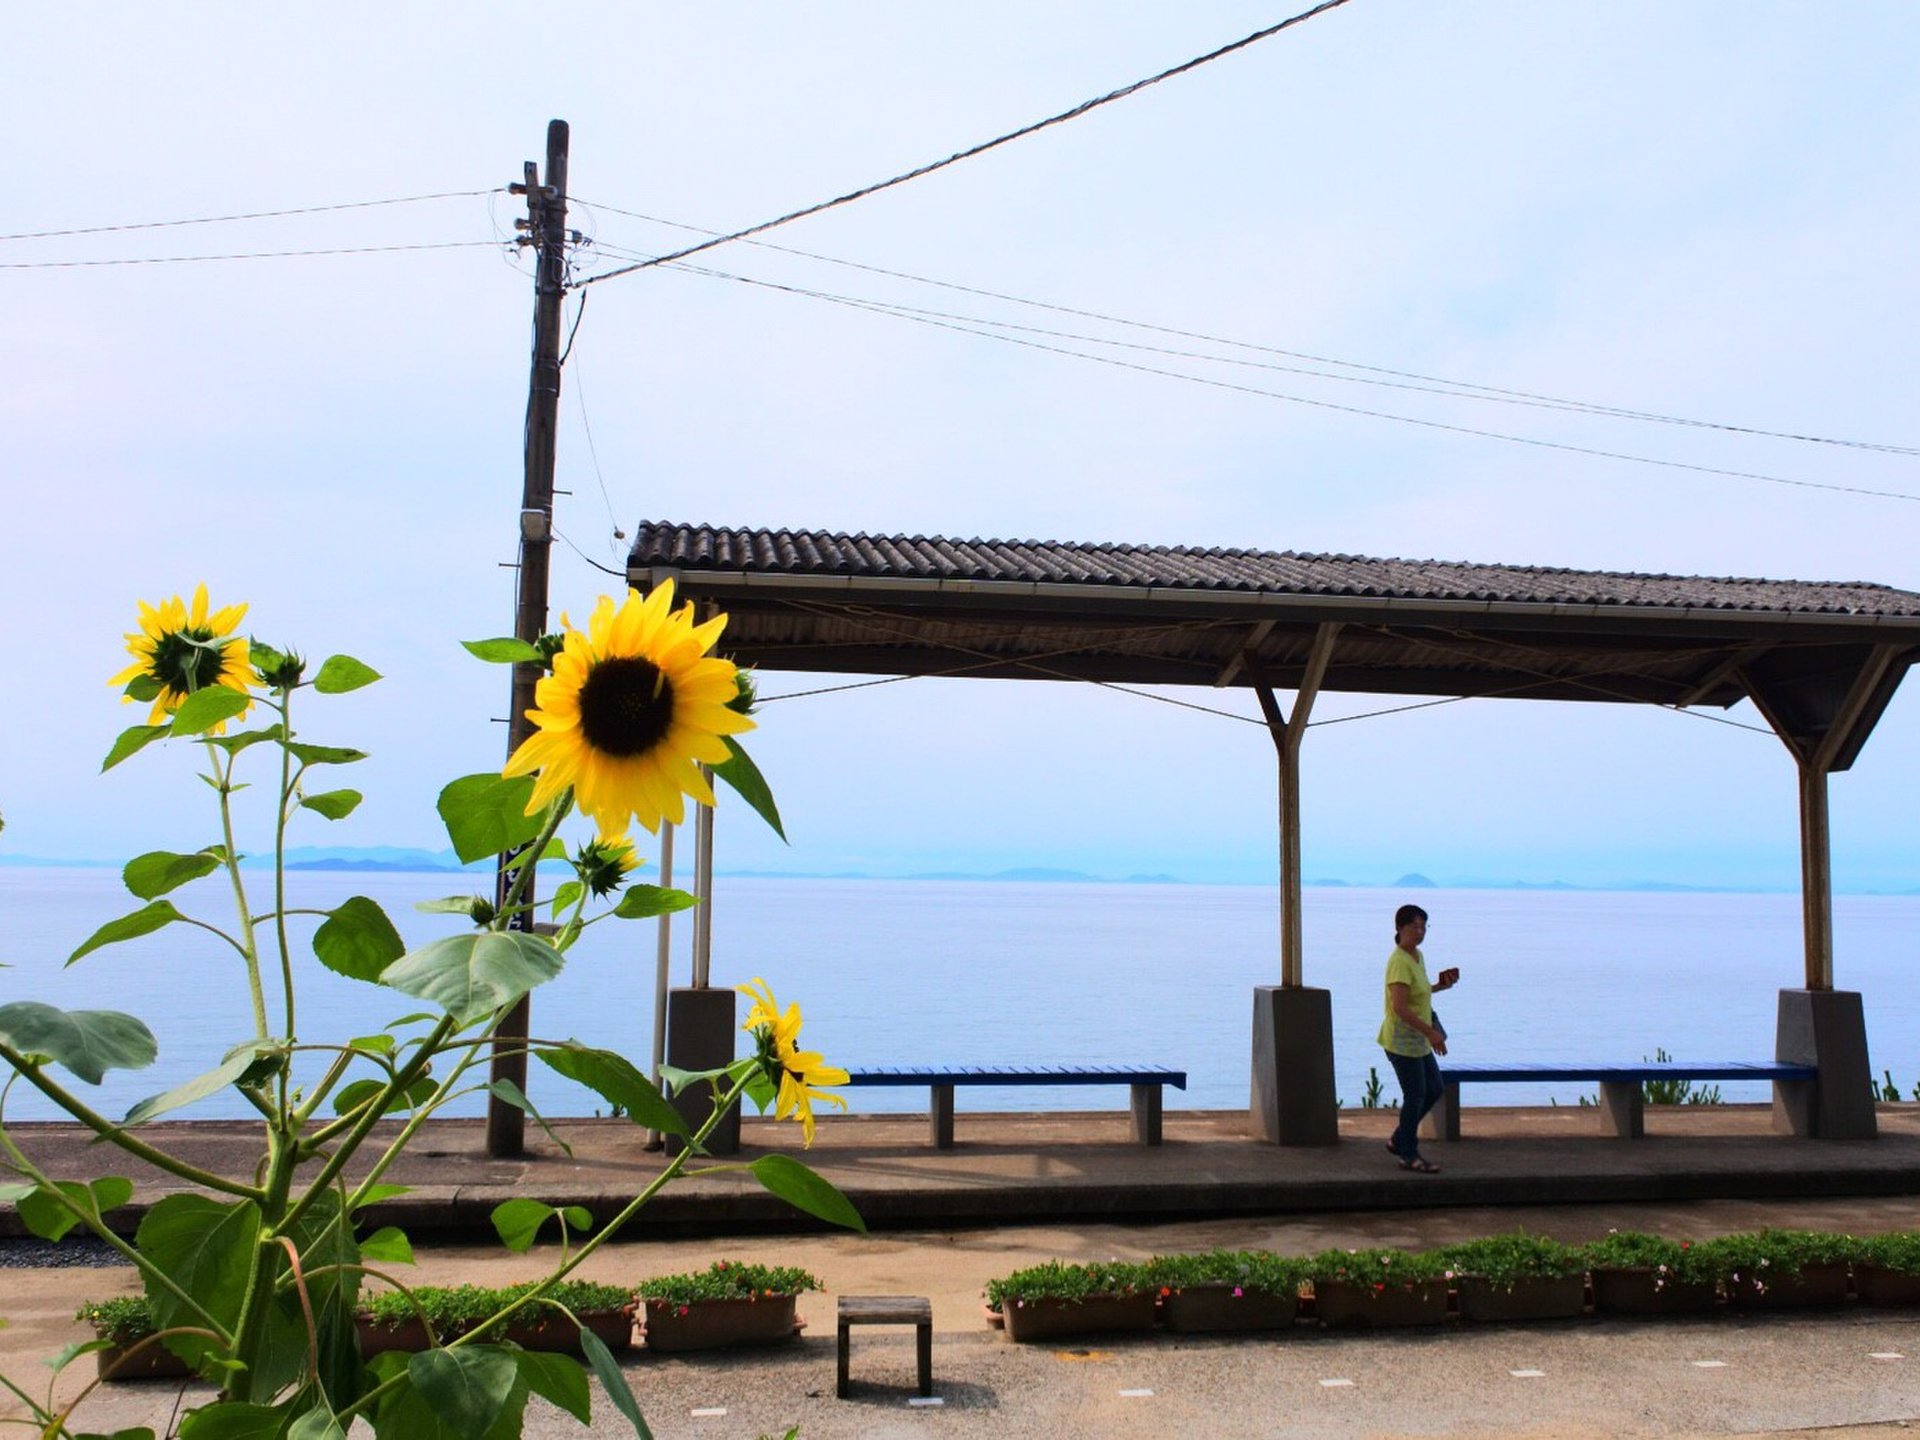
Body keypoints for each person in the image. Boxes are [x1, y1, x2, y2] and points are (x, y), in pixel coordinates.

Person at [1377, 902, 1459, 1173]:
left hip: (1418, 1041)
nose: (1420, 931)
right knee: (1415, 1095)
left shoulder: (1417, 956)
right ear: (1399, 928)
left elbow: (1418, 994)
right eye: (1414, 926)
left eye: (1424, 926)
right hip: (1401, 1043)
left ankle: (1399, 1139)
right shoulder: (1399, 961)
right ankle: (1408, 1154)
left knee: (1434, 1088)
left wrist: (1440, 986)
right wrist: (1432, 1033)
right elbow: (1400, 1008)